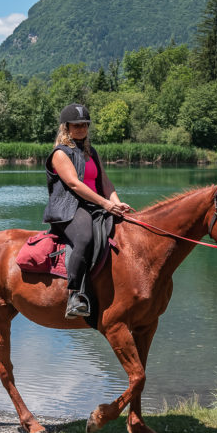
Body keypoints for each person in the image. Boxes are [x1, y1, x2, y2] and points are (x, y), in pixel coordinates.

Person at [43, 103, 132, 318]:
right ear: (66, 127)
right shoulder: (59, 153)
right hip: (70, 209)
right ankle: (75, 296)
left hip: (97, 205)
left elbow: (105, 181)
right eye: (76, 125)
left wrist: (117, 203)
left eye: (84, 124)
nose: (81, 128)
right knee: (85, 237)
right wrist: (105, 204)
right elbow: (74, 184)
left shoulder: (91, 152)